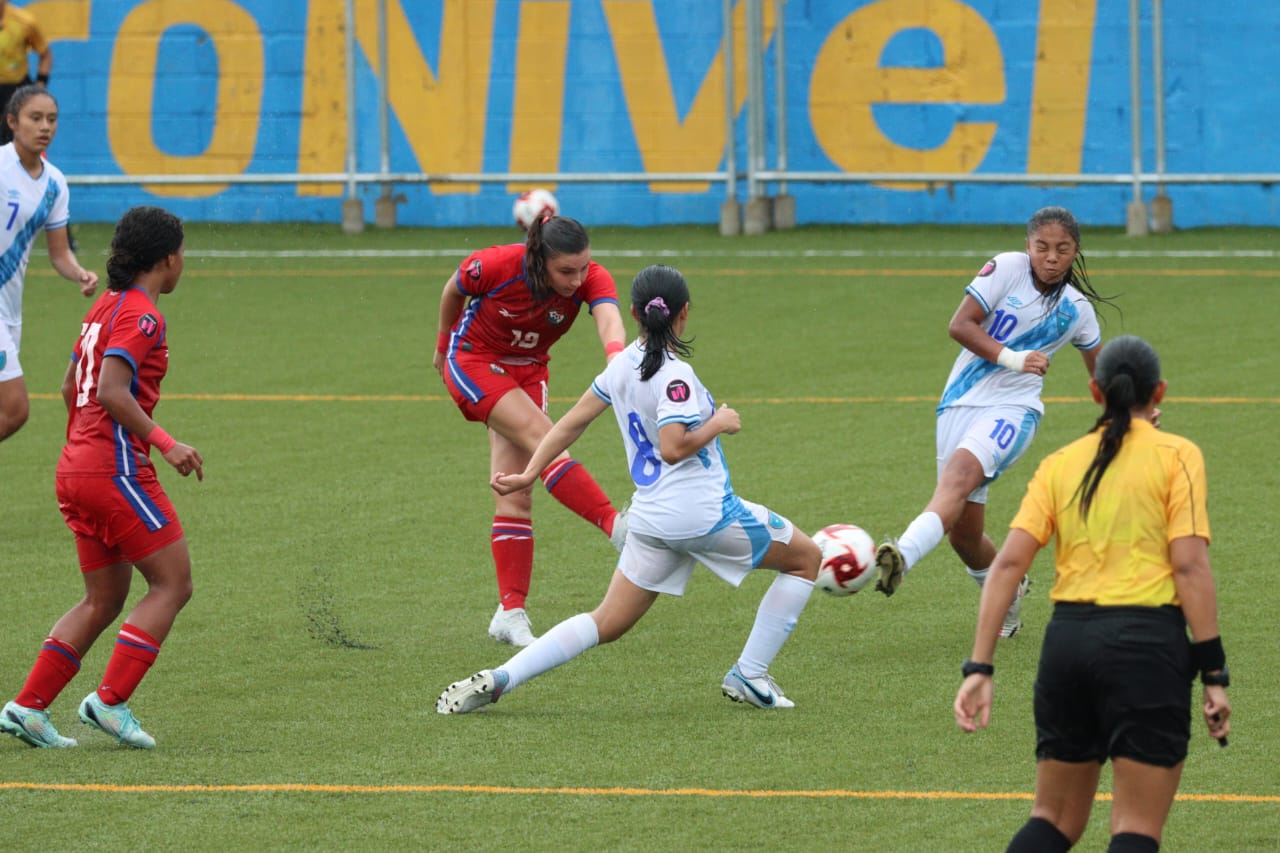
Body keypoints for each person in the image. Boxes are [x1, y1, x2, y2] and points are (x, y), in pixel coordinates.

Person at [437, 265, 820, 715]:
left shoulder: (620, 366)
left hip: (651, 521)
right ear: (684, 315)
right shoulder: (675, 375)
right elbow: (674, 448)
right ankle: (750, 674)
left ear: (635, 313)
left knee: (606, 622)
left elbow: (570, 423)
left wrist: (528, 473)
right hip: (705, 515)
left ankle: (504, 676)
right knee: (806, 559)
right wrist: (718, 422)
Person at [954, 335, 1230, 853]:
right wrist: (1213, 673)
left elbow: (1009, 563)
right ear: (1160, 392)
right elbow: (1190, 566)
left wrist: (980, 667)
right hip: (1147, 650)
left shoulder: (1060, 462)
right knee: (1135, 828)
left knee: (1053, 821)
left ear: (1095, 392)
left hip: (1068, 649)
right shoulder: (1178, 456)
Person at [0, 206, 202, 750]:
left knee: (104, 597)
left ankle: (28, 708)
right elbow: (111, 391)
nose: (184, 263)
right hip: (114, 469)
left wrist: (83, 448)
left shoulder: (104, 307)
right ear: (166, 259)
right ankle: (109, 701)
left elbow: (71, 387)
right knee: (173, 582)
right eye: (182, 254)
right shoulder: (142, 316)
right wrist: (167, 443)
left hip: (77, 467)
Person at [874, 206, 1112, 638]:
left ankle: (902, 556)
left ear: (1076, 251)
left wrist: (1126, 417)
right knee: (964, 537)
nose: (1051, 257)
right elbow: (959, 325)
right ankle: (1011, 593)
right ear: (1028, 246)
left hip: (1013, 411)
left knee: (959, 478)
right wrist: (1014, 357)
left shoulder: (1078, 310)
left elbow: (1101, 375)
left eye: (1062, 249)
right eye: (1042, 247)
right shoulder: (1006, 268)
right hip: (957, 405)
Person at [434, 215, 628, 648]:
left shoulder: (589, 278)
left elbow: (609, 318)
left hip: (529, 373)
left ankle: (510, 611)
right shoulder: (496, 266)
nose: (577, 279)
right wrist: (442, 344)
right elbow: (454, 289)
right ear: (538, 260)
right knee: (547, 438)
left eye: (583, 268)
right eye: (565, 271)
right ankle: (617, 529)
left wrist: (616, 358)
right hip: (475, 362)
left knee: (515, 493)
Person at [0, 84, 96, 442]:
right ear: (12, 121)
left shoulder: (55, 183)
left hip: (10, 313)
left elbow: (59, 253)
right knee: (14, 409)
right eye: (35, 118)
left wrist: (79, 274)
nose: (45, 127)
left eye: (52, 119)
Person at [0, 0, 51, 144]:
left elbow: (45, 55)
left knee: (20, 145)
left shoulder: (24, 22)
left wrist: (39, 88)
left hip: (15, 88)